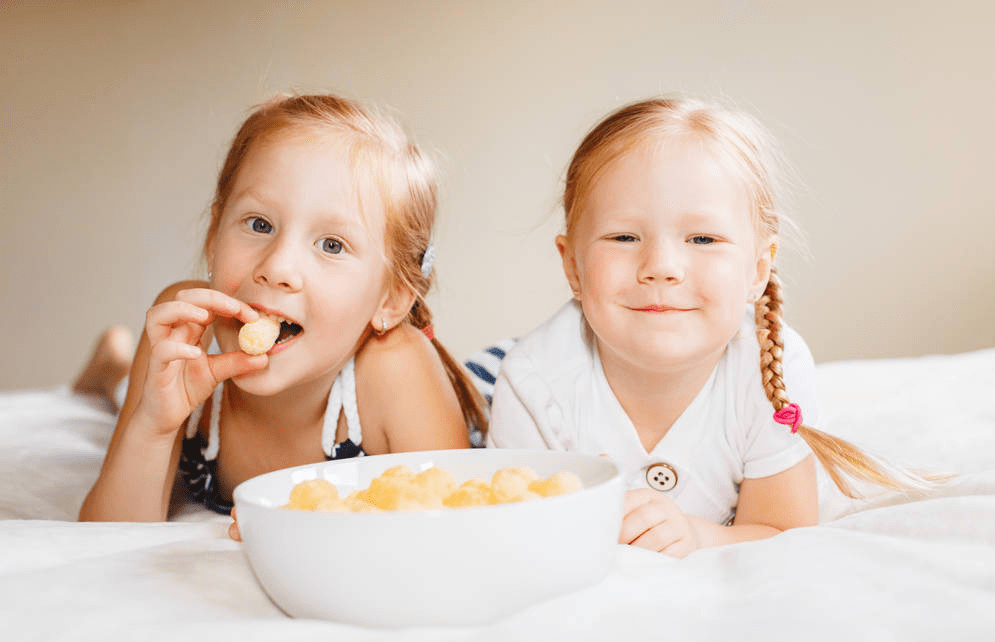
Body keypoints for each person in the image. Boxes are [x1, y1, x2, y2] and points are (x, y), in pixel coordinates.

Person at [487, 97, 934, 558]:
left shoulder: (770, 374)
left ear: (757, 269)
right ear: (573, 267)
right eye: (624, 237)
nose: (662, 267)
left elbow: (782, 531)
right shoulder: (533, 382)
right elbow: (514, 539)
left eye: (703, 238)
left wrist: (699, 537)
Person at [79, 93, 486, 532]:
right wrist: (154, 425)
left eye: (332, 245)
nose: (277, 268)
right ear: (214, 237)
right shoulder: (186, 330)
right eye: (260, 224)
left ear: (390, 299)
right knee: (133, 395)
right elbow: (108, 534)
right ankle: (111, 370)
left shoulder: (395, 369)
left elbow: (454, 531)